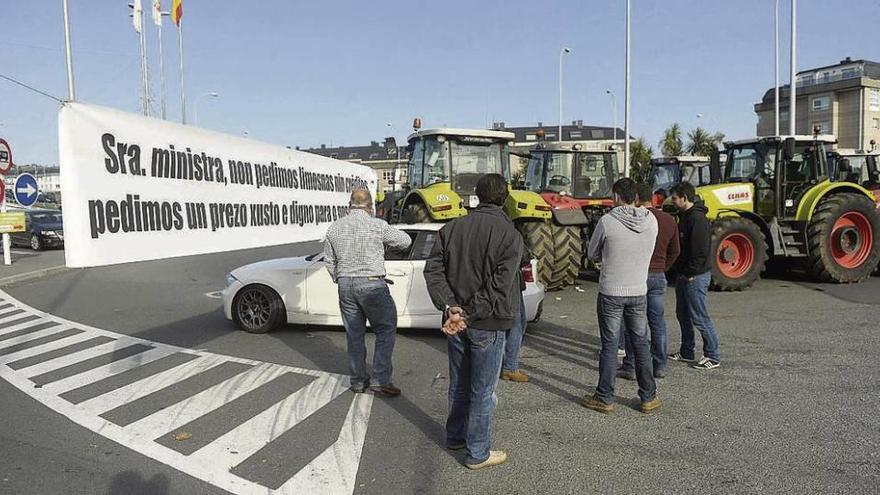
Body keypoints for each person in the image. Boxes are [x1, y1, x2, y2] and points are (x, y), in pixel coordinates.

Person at [424, 173, 522, 470]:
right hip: (487, 323)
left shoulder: (452, 228)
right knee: (482, 390)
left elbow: (434, 271)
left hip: (459, 321)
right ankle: (477, 452)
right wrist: (465, 312)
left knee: (460, 383)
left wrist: (452, 307)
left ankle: (455, 436)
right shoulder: (510, 235)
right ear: (504, 198)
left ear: (477, 196)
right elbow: (499, 285)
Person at [580, 178, 661, 415]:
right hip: (638, 290)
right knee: (641, 344)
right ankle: (648, 396)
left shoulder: (607, 222)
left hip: (611, 292)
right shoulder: (652, 221)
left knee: (610, 345)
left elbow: (592, 252)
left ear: (616, 196)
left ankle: (605, 397)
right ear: (636, 197)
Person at [324, 188, 413, 396]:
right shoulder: (377, 225)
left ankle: (357, 381)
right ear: (371, 206)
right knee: (384, 329)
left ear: (349, 205)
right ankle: (380, 380)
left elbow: (329, 260)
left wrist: (339, 277)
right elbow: (406, 241)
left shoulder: (334, 228)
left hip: (346, 284)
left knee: (354, 334)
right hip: (372, 284)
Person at [618, 182, 680, 380]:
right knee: (657, 321)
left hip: (637, 274)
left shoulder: (633, 219)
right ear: (653, 197)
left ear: (635, 198)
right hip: (658, 275)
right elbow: (675, 251)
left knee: (633, 322)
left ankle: (630, 365)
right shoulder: (669, 220)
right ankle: (660, 364)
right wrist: (663, 267)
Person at [668, 182, 721, 370]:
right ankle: (686, 351)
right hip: (685, 275)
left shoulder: (697, 219)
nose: (672, 201)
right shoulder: (684, 217)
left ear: (684, 198)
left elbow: (700, 251)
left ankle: (713, 355)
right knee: (683, 314)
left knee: (700, 317)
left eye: (674, 198)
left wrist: (690, 273)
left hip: (695, 276)